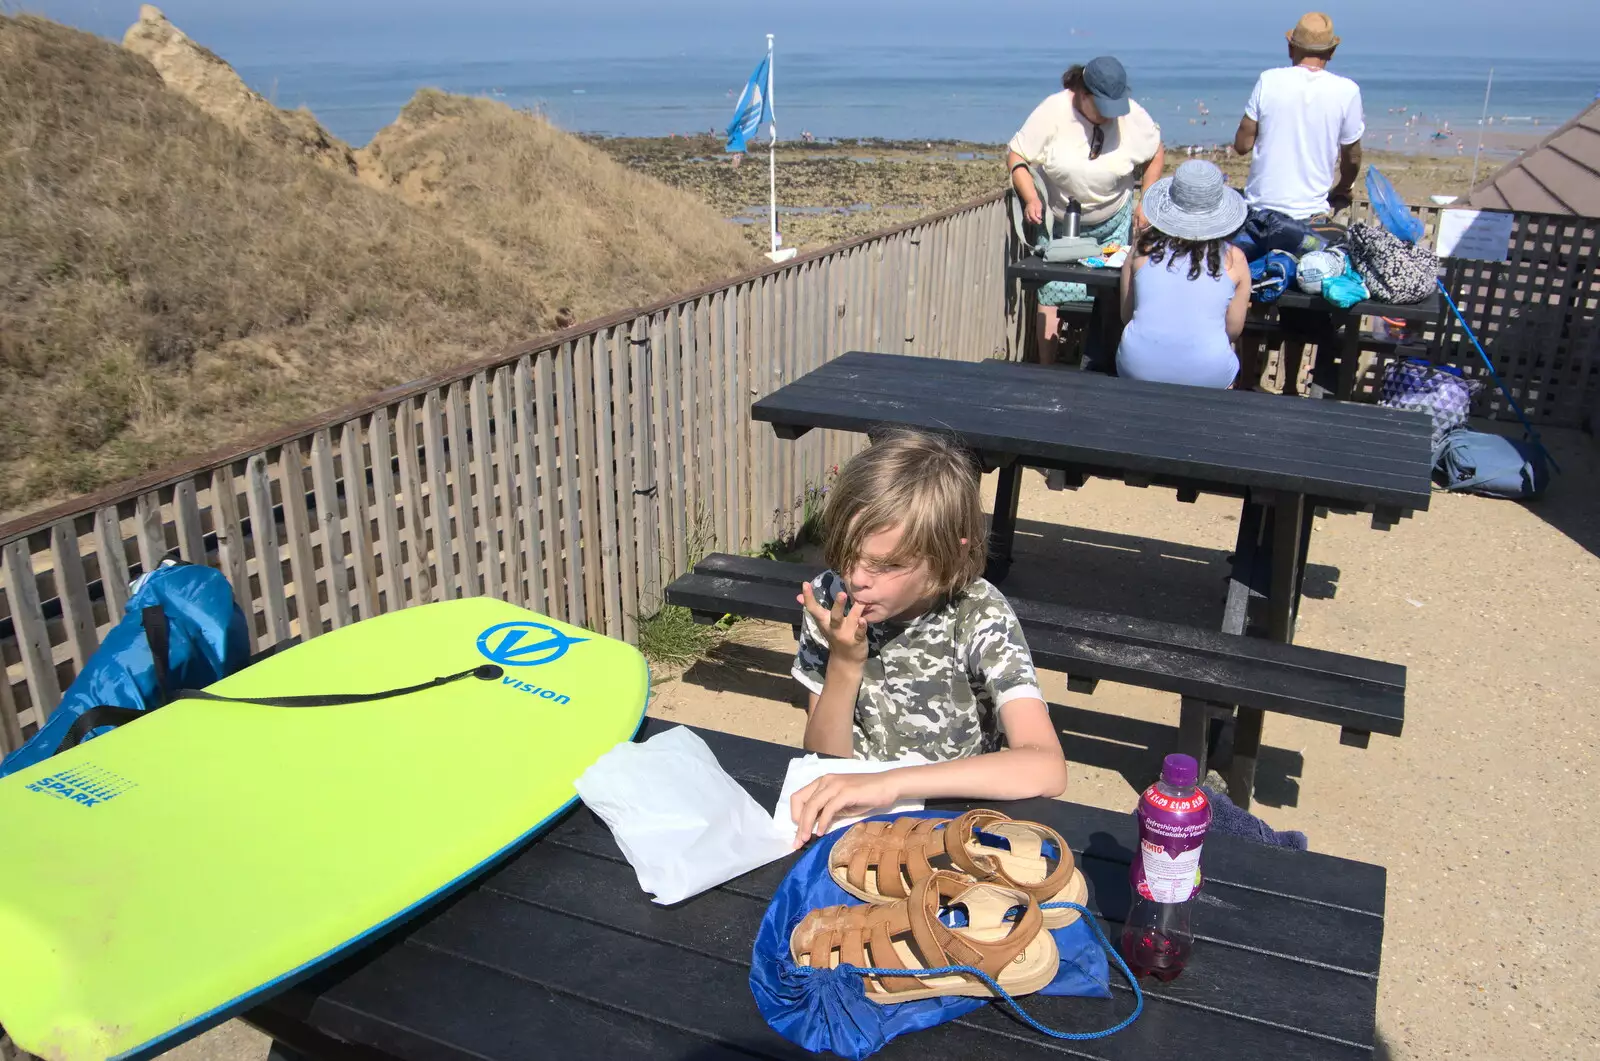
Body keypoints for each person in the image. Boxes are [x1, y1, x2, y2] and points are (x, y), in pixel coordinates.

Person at [786, 429, 1068, 845]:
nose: (858, 579)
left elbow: (1047, 768)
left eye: (886, 565)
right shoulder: (832, 600)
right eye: (849, 554)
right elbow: (824, 756)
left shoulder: (976, 614)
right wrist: (845, 664)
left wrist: (894, 783)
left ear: (947, 558)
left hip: (954, 825)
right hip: (854, 824)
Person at [1230, 12, 1365, 397]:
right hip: (1309, 217)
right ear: (1331, 52)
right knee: (1302, 300)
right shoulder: (1347, 91)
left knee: (1253, 293)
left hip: (1259, 211)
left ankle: (1248, 379)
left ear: (1291, 47)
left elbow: (1242, 143)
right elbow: (1352, 156)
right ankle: (1290, 386)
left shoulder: (1269, 81)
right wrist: (1344, 186)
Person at [1008, 56, 1165, 367]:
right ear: (1083, 93)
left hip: (1113, 219)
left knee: (1112, 295)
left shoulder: (1133, 116)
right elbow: (1016, 156)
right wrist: (1030, 198)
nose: (1109, 117)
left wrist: (1145, 199)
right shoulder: (1053, 111)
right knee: (1051, 291)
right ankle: (1046, 369)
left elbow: (1156, 152)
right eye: (1103, 109)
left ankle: (1106, 366)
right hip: (1060, 222)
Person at [1116, 160, 1251, 388]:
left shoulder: (1141, 249)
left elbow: (1126, 315)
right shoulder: (1234, 258)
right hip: (1209, 373)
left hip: (1137, 367)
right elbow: (1233, 330)